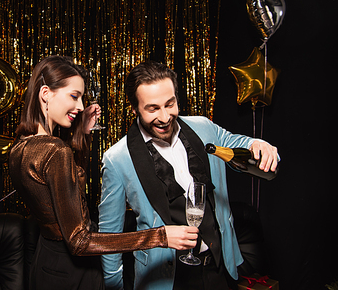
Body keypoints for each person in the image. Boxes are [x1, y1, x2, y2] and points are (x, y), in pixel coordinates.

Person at [8, 56, 200, 290]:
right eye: (74, 96)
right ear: (46, 93)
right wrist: (159, 237)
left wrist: (82, 134)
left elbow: (64, 196)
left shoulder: (21, 145)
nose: (80, 106)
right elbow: (79, 241)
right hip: (73, 272)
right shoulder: (55, 150)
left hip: (46, 262)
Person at [98, 61, 279, 290]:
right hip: (165, 279)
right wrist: (114, 286)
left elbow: (240, 145)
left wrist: (259, 143)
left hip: (219, 267)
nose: (164, 117)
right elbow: (108, 236)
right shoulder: (117, 158)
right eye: (153, 108)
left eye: (170, 104)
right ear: (135, 109)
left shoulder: (203, 127)